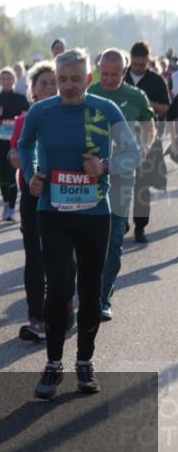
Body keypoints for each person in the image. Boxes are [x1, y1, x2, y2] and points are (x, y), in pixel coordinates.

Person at [18, 48, 140, 400]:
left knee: (90, 291)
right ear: (54, 80)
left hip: (93, 214)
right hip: (52, 211)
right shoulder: (41, 111)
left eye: (76, 79)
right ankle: (53, 363)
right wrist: (30, 177)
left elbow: (133, 154)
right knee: (57, 288)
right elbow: (25, 148)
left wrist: (105, 166)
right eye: (62, 80)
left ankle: (84, 361)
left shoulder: (105, 109)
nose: (68, 87)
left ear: (89, 79)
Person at [87, 48, 154, 320]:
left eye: (116, 74)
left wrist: (147, 144)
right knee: (87, 237)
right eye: (105, 73)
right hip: (89, 175)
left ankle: (103, 298)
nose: (110, 79)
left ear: (125, 73)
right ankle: (86, 287)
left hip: (122, 174)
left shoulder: (136, 97)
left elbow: (150, 125)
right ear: (98, 69)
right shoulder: (88, 92)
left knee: (114, 239)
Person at [8, 61, 58, 342]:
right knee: (34, 256)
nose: (50, 87)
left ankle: (62, 305)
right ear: (33, 91)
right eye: (44, 83)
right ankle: (36, 317)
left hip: (65, 192)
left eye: (54, 82)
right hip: (32, 192)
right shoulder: (23, 121)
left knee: (62, 255)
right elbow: (13, 152)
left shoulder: (72, 117)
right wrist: (15, 159)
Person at [125, 40, 171, 243]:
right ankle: (120, 221)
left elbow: (166, 109)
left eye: (142, 65)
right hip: (122, 138)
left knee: (142, 186)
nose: (138, 68)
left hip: (147, 138)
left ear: (148, 60)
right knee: (120, 183)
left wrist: (144, 100)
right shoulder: (120, 77)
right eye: (135, 64)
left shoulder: (156, 80)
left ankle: (140, 227)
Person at [0, 67, 30, 221]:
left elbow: (31, 118)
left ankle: (10, 208)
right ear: (0, 82)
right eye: (4, 79)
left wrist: (25, 116)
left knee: (11, 175)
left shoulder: (21, 99)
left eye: (9, 78)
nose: (7, 81)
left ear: (14, 81)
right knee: (2, 176)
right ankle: (6, 203)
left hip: (15, 143)